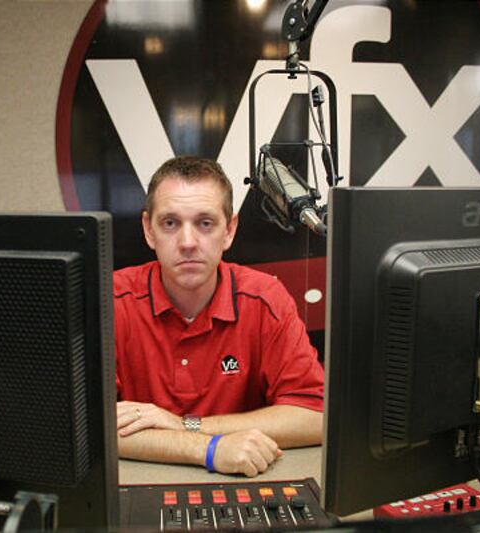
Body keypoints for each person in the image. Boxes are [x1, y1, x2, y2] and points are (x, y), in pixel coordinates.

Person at [114, 155, 325, 477]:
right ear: (148, 230)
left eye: (205, 223)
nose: (187, 243)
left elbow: (315, 416)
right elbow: (81, 427)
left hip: (246, 480)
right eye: (170, 223)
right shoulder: (111, 301)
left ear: (229, 230)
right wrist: (210, 449)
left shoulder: (266, 298)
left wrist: (187, 425)